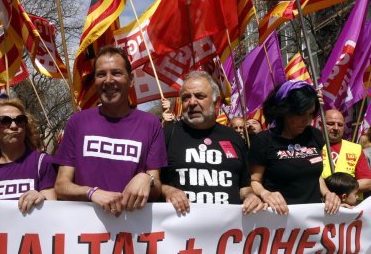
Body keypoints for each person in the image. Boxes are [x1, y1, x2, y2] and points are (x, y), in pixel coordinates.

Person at [54, 46, 167, 216]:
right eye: (101, 74)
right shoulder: (77, 122)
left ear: (130, 80)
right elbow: (61, 186)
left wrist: (147, 179)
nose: (108, 80)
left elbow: (156, 187)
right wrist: (92, 193)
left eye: (116, 73)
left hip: (132, 231)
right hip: (84, 230)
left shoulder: (150, 123)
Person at [160, 71, 265, 214]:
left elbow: (243, 187)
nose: (192, 102)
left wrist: (251, 197)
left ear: (216, 102)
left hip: (227, 232)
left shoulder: (235, 138)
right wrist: (168, 190)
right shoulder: (166, 135)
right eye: (186, 98)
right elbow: (151, 183)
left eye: (200, 96)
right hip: (181, 230)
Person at [248, 80, 340, 215]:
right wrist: (265, 193)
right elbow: (254, 181)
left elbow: (315, 175)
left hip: (313, 219)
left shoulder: (315, 135)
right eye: (301, 114)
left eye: (310, 114)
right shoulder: (264, 140)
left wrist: (327, 193)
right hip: (279, 220)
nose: (307, 120)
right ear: (285, 111)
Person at [0, 98, 57, 212]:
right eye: (4, 121)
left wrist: (42, 198)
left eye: (20, 120)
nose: (13, 126)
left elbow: (53, 208)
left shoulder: (43, 162)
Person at [322, 109, 371, 197]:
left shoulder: (355, 148)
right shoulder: (312, 147)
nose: (336, 128)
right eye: (330, 124)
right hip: (319, 205)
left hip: (349, 207)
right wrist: (326, 191)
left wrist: (343, 189)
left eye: (340, 125)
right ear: (321, 125)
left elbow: (367, 182)